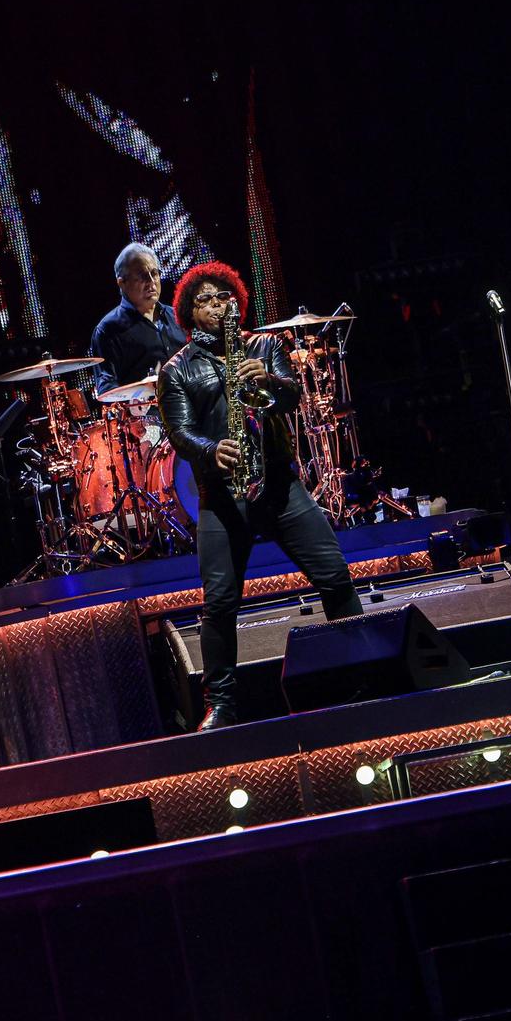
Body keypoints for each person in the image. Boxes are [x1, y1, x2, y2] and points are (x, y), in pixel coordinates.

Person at [158, 261, 361, 730]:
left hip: (278, 485)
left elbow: (292, 397)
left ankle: (358, 671)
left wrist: (268, 380)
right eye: (205, 299)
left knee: (334, 576)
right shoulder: (177, 370)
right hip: (223, 497)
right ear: (190, 312)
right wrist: (213, 450)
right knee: (220, 602)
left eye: (224, 297)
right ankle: (223, 705)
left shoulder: (264, 346)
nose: (217, 305)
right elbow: (180, 434)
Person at [89, 242, 188, 394]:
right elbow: (107, 388)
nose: (151, 282)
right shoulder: (108, 330)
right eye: (142, 276)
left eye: (154, 273)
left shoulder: (178, 316)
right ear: (122, 282)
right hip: (148, 415)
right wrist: (139, 395)